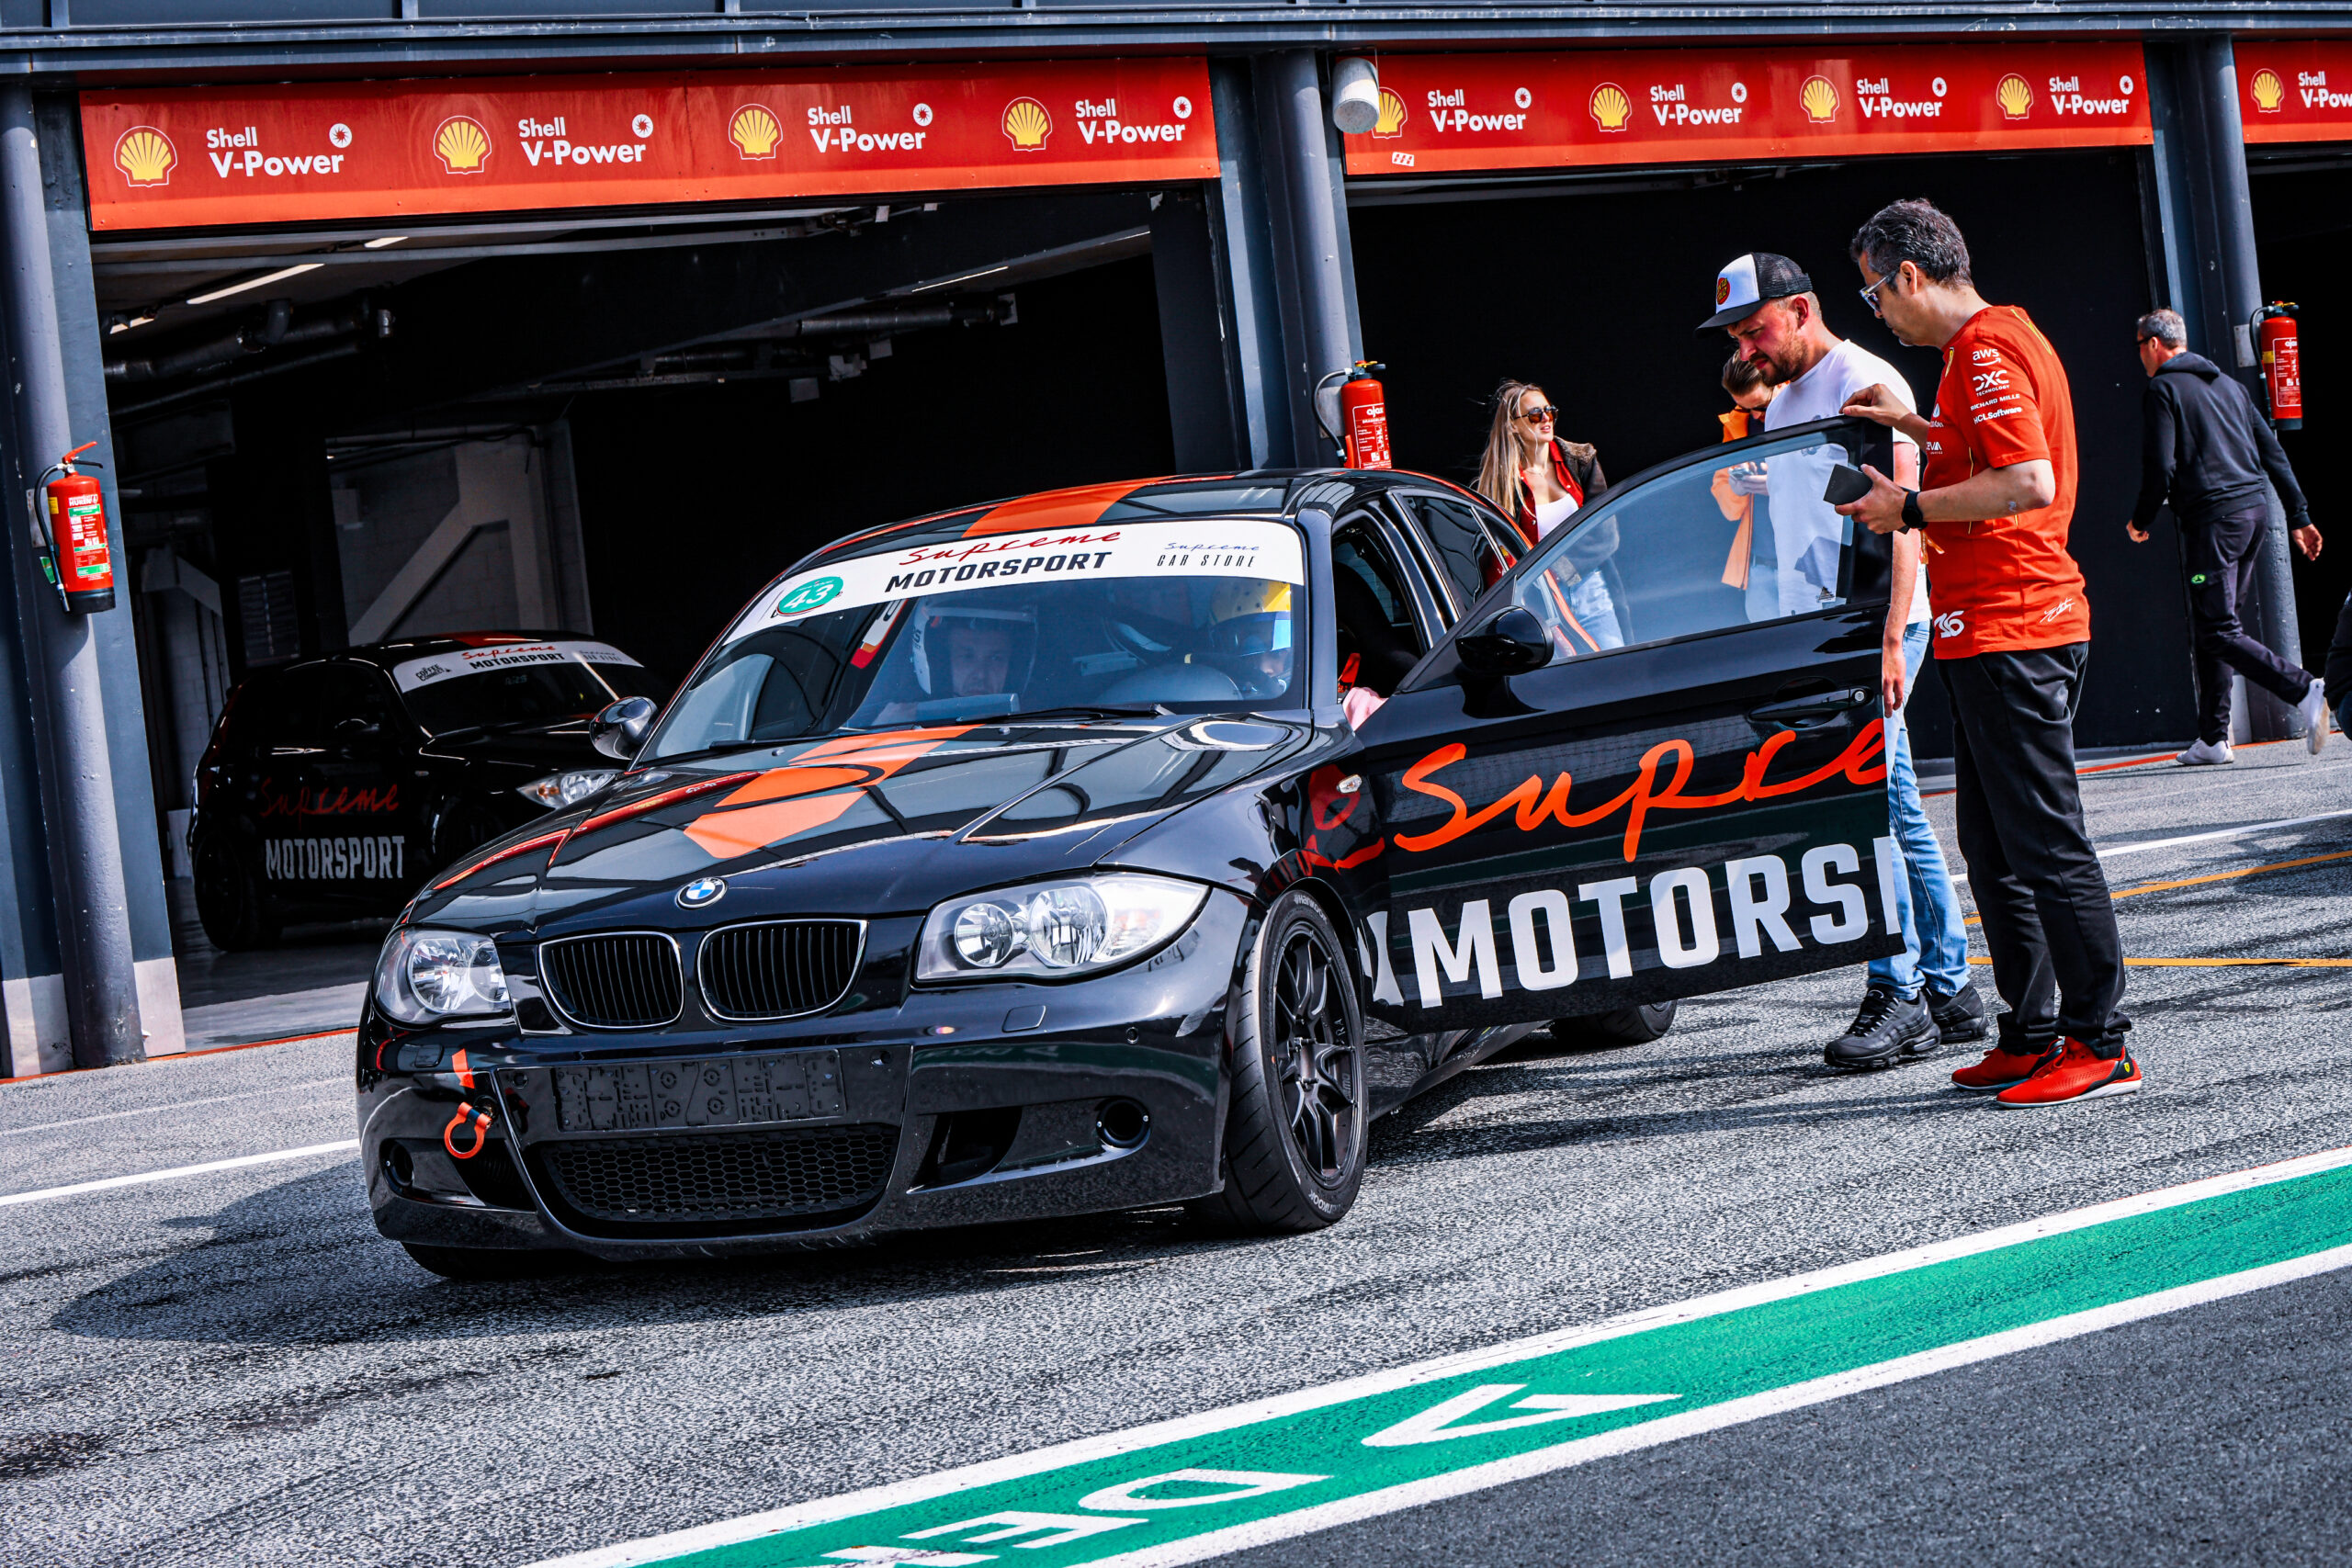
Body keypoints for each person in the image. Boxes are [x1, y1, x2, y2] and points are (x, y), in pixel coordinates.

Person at [1835, 197, 2138, 1109]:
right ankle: (2033, 1032)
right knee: (1994, 846)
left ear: (1912, 277)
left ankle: (2101, 1040)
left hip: (2017, 623)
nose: (1876, 313)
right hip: (1989, 626)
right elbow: (1991, 455)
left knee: (2044, 843)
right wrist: (1919, 433)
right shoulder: (1987, 350)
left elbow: (2027, 481)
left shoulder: (1987, 350)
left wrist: (1911, 508)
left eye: (1875, 294)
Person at [1702, 250, 1983, 1069]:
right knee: (1893, 802)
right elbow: (1819, 521)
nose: (1747, 349)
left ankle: (1898, 990)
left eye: (1755, 330)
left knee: (1868, 805)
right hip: (1831, 633)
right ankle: (1951, 985)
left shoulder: (1863, 377)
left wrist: (1892, 638)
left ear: (1801, 309)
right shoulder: (1786, 400)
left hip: (1879, 629)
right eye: (1736, 336)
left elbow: (1903, 519)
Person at [2125, 307, 2331, 764]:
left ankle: (2304, 689)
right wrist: (2298, 515)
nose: (2139, 356)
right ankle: (2214, 738)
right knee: (2215, 626)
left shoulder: (2163, 389)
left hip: (2214, 524)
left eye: (2139, 346)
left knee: (2218, 629)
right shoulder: (2231, 388)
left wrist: (2141, 520)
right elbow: (2272, 451)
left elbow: (2160, 466)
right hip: (2253, 515)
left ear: (2154, 344)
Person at [1474, 380, 1623, 650]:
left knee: (1616, 666)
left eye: (1549, 411)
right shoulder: (1504, 482)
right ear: (1513, 425)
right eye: (1534, 415)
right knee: (1561, 680)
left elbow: (1605, 531)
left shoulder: (1580, 460)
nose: (1546, 419)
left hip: (1590, 586)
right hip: (1539, 600)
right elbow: (1493, 553)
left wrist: (1562, 567)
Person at [1712, 355, 1780, 621]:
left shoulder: (1805, 410)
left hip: (1808, 567)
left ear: (1778, 383)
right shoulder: (1738, 423)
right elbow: (1722, 489)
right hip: (1760, 568)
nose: (1755, 415)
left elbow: (1833, 480)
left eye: (1761, 406)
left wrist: (1779, 484)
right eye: (1744, 407)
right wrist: (1737, 488)